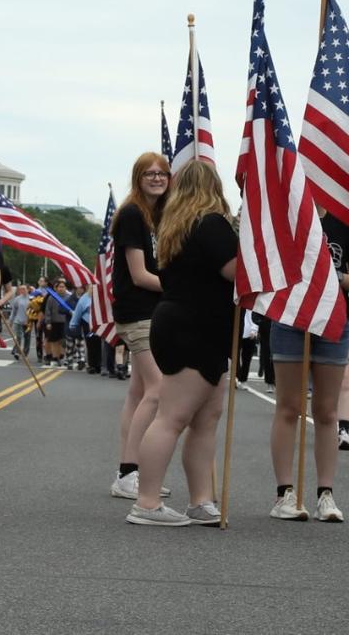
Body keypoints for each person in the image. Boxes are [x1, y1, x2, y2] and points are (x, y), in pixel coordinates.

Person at [127, 160, 237, 527]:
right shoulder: (210, 224)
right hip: (195, 327)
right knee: (172, 417)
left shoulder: (175, 225)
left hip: (185, 324)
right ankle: (146, 502)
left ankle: (200, 500)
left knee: (206, 419)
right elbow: (233, 271)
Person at [267, 210, 349, 523]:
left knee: (327, 411)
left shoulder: (344, 223)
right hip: (289, 317)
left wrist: (333, 277)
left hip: (333, 320)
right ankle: (284, 492)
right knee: (288, 406)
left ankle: (325, 494)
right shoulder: (285, 215)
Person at [111, 153, 170, 499]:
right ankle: (128, 472)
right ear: (137, 177)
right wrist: (181, 286)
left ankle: (128, 471)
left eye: (161, 173)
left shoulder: (159, 216)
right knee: (158, 389)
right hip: (138, 311)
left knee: (137, 393)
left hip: (154, 310)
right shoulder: (133, 214)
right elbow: (139, 275)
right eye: (148, 173)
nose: (156, 178)